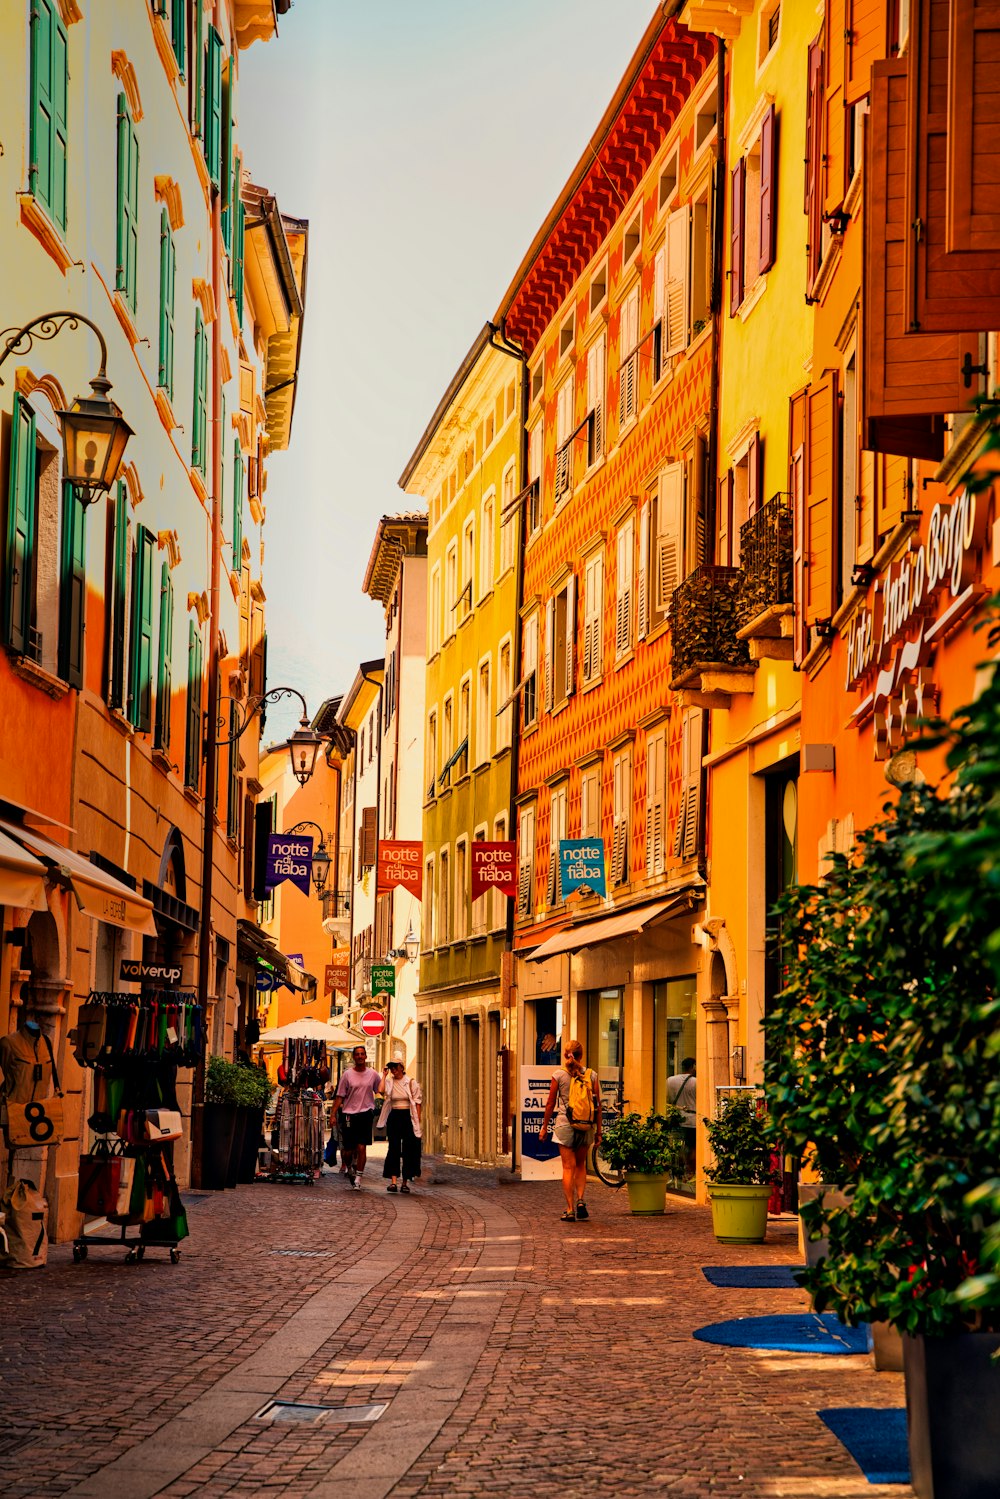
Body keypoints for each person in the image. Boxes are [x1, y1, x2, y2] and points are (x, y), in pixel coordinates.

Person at [539, 1039, 601, 1222]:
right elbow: (597, 1106)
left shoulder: (558, 1075)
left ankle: (569, 1209)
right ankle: (581, 1200)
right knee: (581, 1165)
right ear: (581, 1056)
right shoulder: (592, 1075)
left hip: (565, 1124)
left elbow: (550, 1104)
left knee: (568, 1167)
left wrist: (544, 1128)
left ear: (565, 1055)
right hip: (586, 1125)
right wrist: (599, 1132)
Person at [329, 1046, 382, 1189]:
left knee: (361, 1147)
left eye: (362, 1054)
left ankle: (358, 1178)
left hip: (365, 1114)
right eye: (357, 1054)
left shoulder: (373, 1074)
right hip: (349, 1115)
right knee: (348, 1150)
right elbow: (340, 1096)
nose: (360, 1056)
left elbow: (380, 1090)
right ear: (354, 1057)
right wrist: (333, 1114)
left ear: (365, 1057)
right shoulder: (347, 1075)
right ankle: (350, 1165)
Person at [377, 1059, 422, 1193]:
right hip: (394, 1116)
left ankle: (405, 1182)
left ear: (402, 1067)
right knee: (394, 1148)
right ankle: (393, 1182)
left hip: (407, 1117)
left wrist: (417, 1121)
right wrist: (384, 1075)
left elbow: (418, 1102)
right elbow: (380, 1090)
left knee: (409, 1149)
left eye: (395, 1067)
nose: (393, 1070)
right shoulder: (390, 1081)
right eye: (391, 1067)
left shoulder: (411, 1082)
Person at [667, 1057, 697, 1175]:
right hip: (692, 1121)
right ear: (693, 1067)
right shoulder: (696, 1082)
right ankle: (690, 1170)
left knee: (677, 1144)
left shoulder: (670, 1080)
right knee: (692, 1147)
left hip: (676, 1119)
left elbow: (667, 1099)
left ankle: (677, 1166)